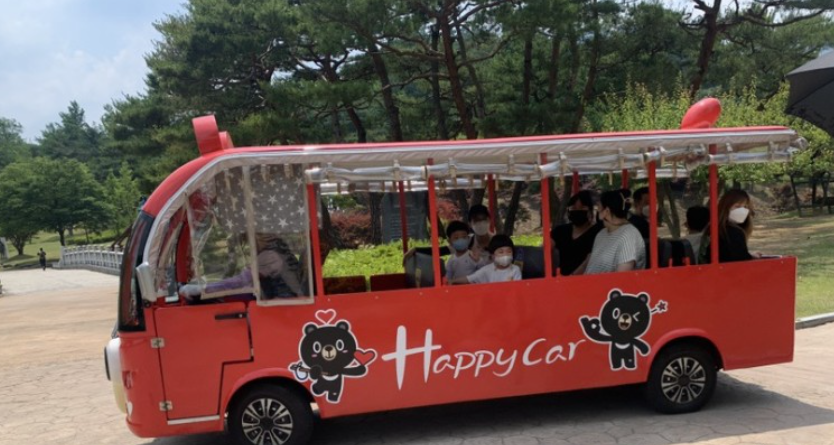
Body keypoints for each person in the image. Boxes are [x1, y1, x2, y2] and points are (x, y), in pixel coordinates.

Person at [180, 237, 307, 302]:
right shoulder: (280, 250)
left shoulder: (269, 255)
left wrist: (202, 289)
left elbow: (240, 281)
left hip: (280, 306)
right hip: (284, 302)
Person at [577, 189, 646, 275]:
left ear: (606, 211)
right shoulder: (601, 234)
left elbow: (622, 276)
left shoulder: (629, 235)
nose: (597, 211)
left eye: (599, 207)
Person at [403, 204, 495, 264]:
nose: (480, 223)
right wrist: (416, 250)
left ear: (489, 220)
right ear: (470, 223)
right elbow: (441, 251)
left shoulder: (499, 241)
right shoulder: (467, 242)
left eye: (484, 219)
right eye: (476, 220)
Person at [550, 191, 603, 276]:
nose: (577, 211)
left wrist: (572, 278)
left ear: (590, 211)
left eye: (582, 208)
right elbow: (545, 249)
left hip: (586, 279)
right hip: (560, 279)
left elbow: (589, 260)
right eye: (573, 208)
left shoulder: (598, 232)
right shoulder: (561, 230)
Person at [704, 189, 760, 262]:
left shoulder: (715, 229)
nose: (742, 210)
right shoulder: (732, 232)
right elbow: (741, 261)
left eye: (745, 207)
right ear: (726, 207)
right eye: (737, 206)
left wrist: (749, 255)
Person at [450, 234, 521, 284]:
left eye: (509, 251)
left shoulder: (515, 269)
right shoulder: (487, 270)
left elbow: (517, 289)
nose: (505, 255)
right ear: (492, 255)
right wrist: (452, 281)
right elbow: (469, 279)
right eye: (501, 252)